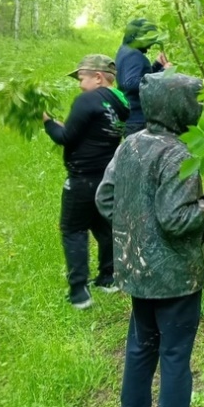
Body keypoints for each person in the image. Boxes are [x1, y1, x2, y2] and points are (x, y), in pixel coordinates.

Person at [96, 71, 204, 407]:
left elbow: (106, 199)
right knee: (175, 356)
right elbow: (176, 219)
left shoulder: (130, 144)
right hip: (175, 277)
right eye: (196, 104)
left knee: (141, 346)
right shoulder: (179, 155)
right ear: (181, 108)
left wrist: (137, 233)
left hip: (137, 270)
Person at [43, 54, 130, 309]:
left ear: (98, 77)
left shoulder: (87, 100)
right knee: (104, 228)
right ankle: (108, 277)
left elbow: (66, 138)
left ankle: (79, 292)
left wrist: (48, 123)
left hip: (81, 179)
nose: (80, 85)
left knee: (73, 230)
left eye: (82, 78)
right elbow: (90, 131)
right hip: (106, 178)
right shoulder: (119, 102)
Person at [115, 17, 171, 136]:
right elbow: (130, 83)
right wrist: (163, 73)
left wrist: (156, 66)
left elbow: (138, 76)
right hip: (137, 119)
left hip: (132, 117)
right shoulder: (133, 55)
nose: (150, 46)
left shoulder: (125, 51)